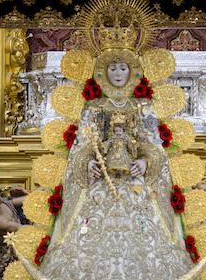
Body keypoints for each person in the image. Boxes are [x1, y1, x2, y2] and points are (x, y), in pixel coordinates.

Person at [39, 50, 192, 279]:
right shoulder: (93, 107)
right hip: (100, 181)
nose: (118, 73)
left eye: (122, 68)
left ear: (132, 71)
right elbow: (82, 145)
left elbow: (152, 145)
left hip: (134, 182)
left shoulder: (143, 107)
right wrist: (88, 162)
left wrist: (144, 161)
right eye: (113, 68)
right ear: (103, 72)